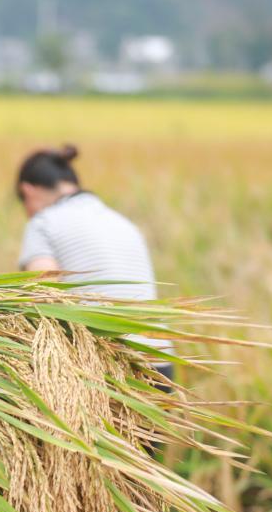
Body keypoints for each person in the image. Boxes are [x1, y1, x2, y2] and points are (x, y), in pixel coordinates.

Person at [15, 144, 174, 385]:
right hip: (160, 361)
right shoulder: (122, 222)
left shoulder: (43, 223)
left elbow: (43, 294)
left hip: (110, 364)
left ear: (27, 190)